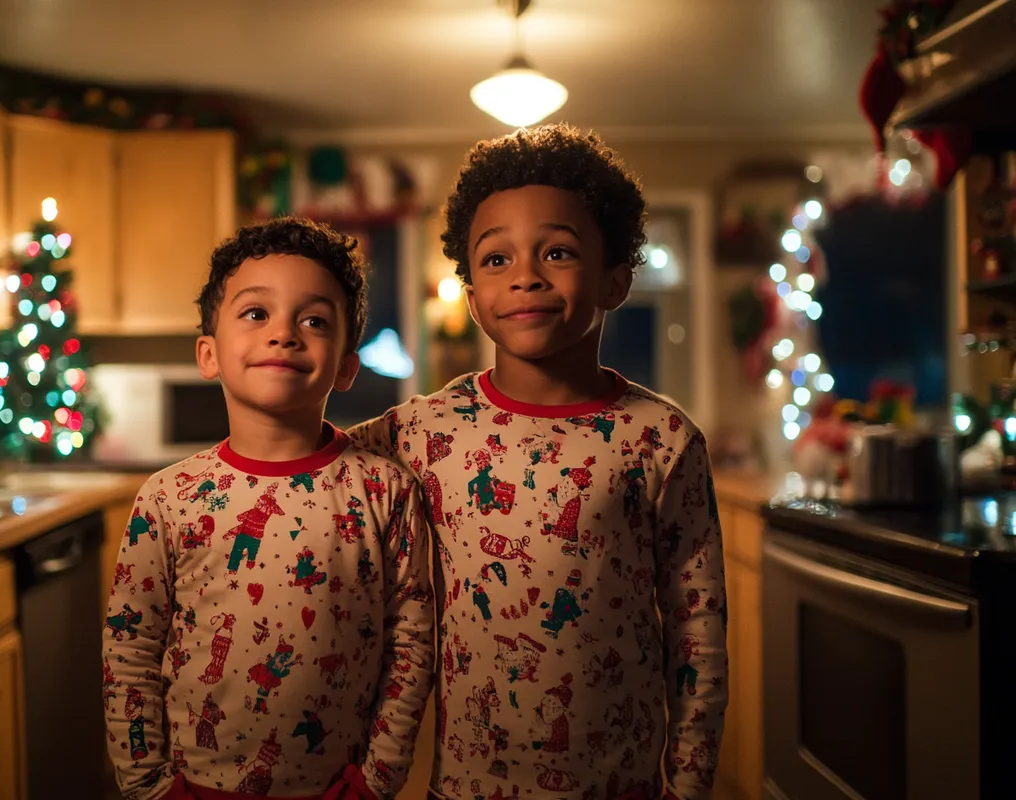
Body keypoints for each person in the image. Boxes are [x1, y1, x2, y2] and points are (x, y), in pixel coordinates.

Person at [349, 124, 728, 800]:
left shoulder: (664, 439)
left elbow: (697, 630)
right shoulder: (417, 433)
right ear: (471, 300)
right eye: (496, 259)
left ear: (616, 281)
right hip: (465, 787)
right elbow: (313, 470)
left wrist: (690, 782)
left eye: (557, 251)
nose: (524, 274)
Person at [104, 217, 434, 800]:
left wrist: (376, 782)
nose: (284, 333)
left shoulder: (386, 491)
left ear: (346, 366)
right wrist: (149, 787)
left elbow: (410, 644)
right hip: (195, 789)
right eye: (257, 314)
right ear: (209, 353)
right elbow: (130, 647)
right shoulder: (168, 497)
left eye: (314, 320)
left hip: (337, 791)